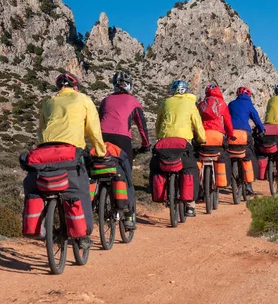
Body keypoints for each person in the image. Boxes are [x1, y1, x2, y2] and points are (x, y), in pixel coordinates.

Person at [24, 72, 107, 248]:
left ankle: (38, 228)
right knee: (81, 188)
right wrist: (100, 152)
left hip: (44, 152)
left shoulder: (48, 102)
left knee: (35, 186)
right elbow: (93, 129)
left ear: (58, 87)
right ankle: (83, 235)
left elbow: (41, 130)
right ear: (75, 87)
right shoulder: (83, 99)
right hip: (70, 152)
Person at [98, 71, 150, 229]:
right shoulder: (133, 101)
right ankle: (128, 216)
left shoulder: (105, 100)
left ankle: (96, 202)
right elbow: (142, 126)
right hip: (122, 140)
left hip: (103, 139)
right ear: (130, 85)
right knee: (127, 178)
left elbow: (98, 120)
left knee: (99, 169)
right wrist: (146, 145)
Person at [150, 80, 206, 217]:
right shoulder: (190, 103)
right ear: (185, 91)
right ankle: (190, 206)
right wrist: (201, 139)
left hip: (165, 142)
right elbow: (197, 123)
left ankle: (162, 194)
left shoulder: (165, 102)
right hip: (183, 142)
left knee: (157, 167)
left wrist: (159, 137)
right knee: (190, 168)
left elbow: (158, 123)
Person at [196, 83, 234, 195]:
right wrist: (230, 134)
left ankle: (197, 186)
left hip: (203, 136)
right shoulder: (222, 104)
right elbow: (227, 123)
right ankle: (222, 181)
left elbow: (196, 122)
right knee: (223, 155)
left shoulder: (202, 104)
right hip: (217, 136)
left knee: (197, 155)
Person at [228, 86, 265, 194]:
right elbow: (256, 118)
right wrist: (262, 129)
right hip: (245, 134)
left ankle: (231, 177)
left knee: (230, 152)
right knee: (250, 155)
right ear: (248, 95)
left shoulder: (231, 104)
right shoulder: (249, 104)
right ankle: (249, 184)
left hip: (232, 134)